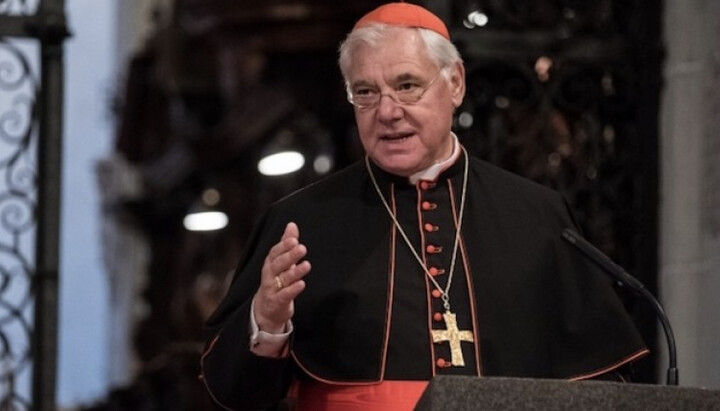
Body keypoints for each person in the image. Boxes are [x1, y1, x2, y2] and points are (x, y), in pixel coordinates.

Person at [200, 3, 648, 410]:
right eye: (366, 93)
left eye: (407, 85)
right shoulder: (300, 224)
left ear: (454, 84)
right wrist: (267, 321)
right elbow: (233, 393)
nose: (387, 111)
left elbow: (604, 381)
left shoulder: (538, 216)